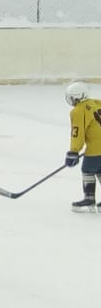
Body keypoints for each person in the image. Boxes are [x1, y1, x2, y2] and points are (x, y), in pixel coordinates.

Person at [63, 81, 101, 212]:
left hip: (96, 148)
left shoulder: (78, 111)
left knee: (88, 169)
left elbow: (77, 133)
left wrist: (73, 151)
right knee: (100, 170)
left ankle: (89, 198)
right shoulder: (97, 103)